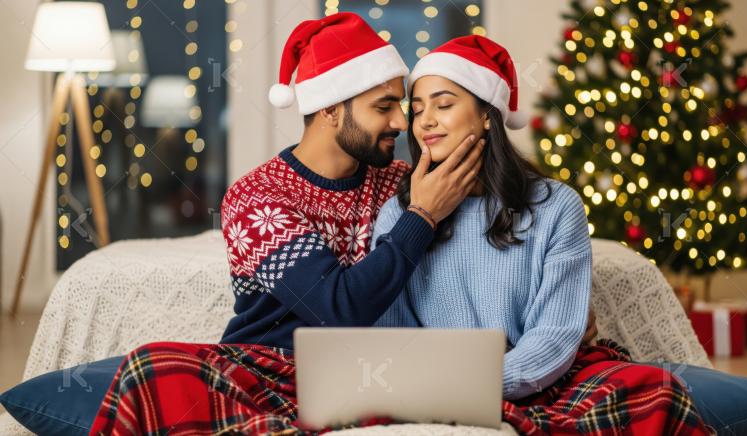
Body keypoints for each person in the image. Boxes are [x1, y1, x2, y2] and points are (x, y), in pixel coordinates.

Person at [90, 13, 485, 434]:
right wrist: (421, 217)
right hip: (263, 370)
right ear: (330, 108)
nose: (401, 123)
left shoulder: (398, 181)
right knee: (151, 366)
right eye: (383, 107)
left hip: (364, 372)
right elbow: (339, 308)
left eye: (401, 107)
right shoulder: (256, 198)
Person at [373, 35, 711, 434]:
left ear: (487, 115)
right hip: (438, 385)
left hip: (541, 377)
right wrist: (434, 390)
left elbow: (556, 334)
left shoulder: (556, 206)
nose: (425, 121)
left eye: (443, 105)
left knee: (658, 392)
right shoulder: (398, 214)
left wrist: (478, 387)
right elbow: (393, 334)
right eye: (417, 110)